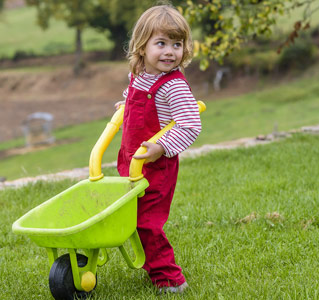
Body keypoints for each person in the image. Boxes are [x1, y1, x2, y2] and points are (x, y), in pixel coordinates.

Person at [114, 4, 201, 294]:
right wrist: (125, 104)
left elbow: (190, 125)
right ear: (142, 47)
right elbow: (135, 94)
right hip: (132, 161)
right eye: (161, 43)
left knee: (147, 223)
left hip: (157, 168)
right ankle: (149, 262)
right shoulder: (140, 74)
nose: (169, 52)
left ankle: (170, 279)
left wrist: (161, 147)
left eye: (177, 44)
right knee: (128, 217)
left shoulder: (173, 86)